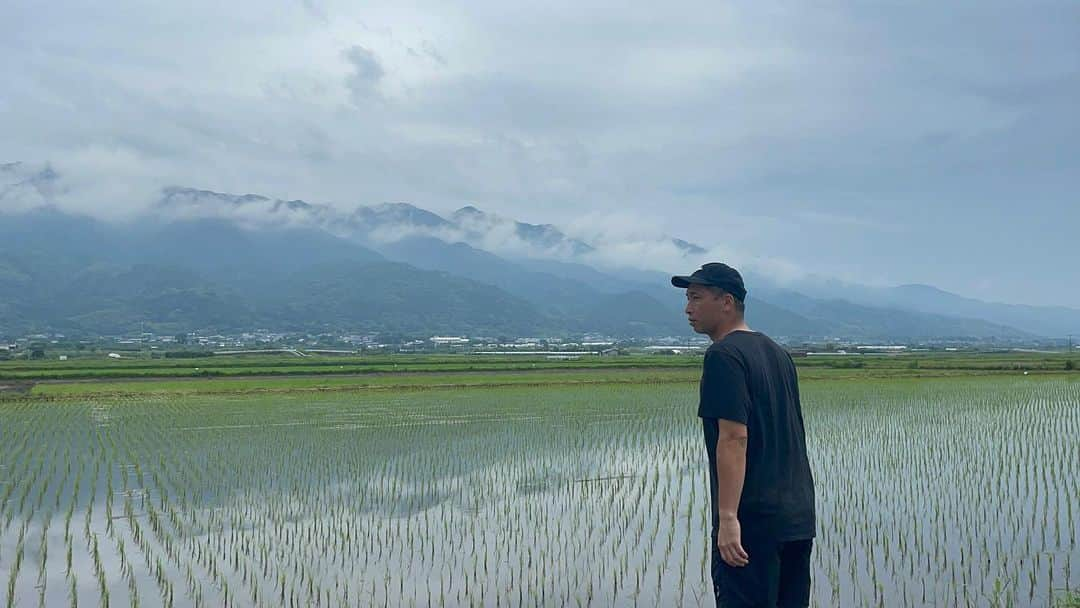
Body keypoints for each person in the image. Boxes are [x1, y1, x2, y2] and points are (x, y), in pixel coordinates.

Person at [672, 262, 816, 607]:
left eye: (696, 297)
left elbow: (734, 438)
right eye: (687, 299)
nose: (688, 308)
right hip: (797, 518)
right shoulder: (777, 354)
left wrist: (728, 518)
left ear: (727, 302)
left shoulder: (724, 355)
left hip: (752, 524)